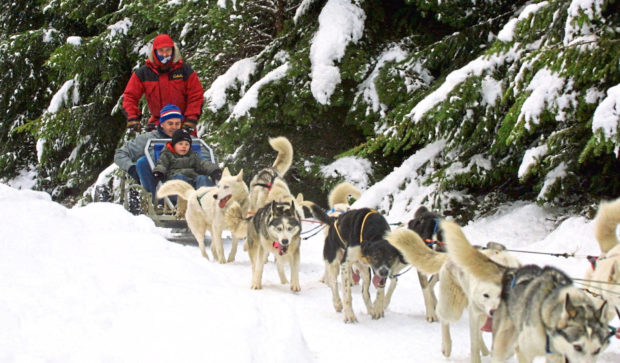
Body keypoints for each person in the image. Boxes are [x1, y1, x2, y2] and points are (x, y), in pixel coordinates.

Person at [122, 34, 204, 135]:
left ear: (173, 50)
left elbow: (196, 95)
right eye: (161, 51)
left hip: (182, 125)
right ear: (155, 52)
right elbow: (130, 96)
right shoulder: (144, 73)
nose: (165, 54)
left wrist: (191, 119)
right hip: (158, 124)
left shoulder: (184, 71)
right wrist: (132, 117)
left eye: (168, 50)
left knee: (189, 149)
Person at [114, 104, 184, 199]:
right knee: (143, 162)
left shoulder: (187, 140)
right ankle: (153, 202)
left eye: (177, 124)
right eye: (170, 123)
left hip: (183, 183)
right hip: (157, 184)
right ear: (162, 124)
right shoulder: (149, 139)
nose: (174, 127)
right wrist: (131, 169)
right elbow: (120, 154)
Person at [152, 129, 222, 189]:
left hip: (193, 183)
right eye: (180, 144)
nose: (184, 146)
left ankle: (206, 199)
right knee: (179, 178)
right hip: (175, 185)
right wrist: (159, 172)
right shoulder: (167, 154)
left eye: (187, 144)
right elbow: (162, 165)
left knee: (202, 178)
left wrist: (215, 171)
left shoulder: (193, 155)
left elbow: (203, 164)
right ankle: (184, 202)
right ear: (174, 145)